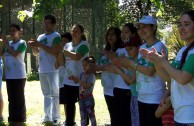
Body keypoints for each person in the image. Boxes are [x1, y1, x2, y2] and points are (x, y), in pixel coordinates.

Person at [140, 10, 194, 126]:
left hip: (190, 117)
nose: (181, 28)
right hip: (179, 115)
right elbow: (168, 78)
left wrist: (163, 62)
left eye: (187, 24)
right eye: (180, 25)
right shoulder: (182, 51)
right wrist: (155, 61)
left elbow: (183, 79)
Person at [114, 15, 168, 126]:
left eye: (145, 26)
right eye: (139, 27)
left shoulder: (159, 46)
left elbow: (150, 71)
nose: (141, 30)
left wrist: (130, 64)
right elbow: (138, 68)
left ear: (153, 28)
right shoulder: (142, 47)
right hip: (141, 96)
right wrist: (125, 65)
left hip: (155, 97)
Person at [28, 15, 61, 125]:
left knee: (55, 94)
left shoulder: (56, 36)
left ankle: (56, 118)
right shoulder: (40, 36)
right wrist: (34, 47)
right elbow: (36, 53)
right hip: (42, 69)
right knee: (46, 94)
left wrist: (39, 44)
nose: (45, 25)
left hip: (53, 69)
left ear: (53, 24)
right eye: (45, 22)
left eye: (48, 23)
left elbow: (54, 51)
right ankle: (47, 116)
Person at [60, 24, 89, 126]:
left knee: (83, 104)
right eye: (73, 31)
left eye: (77, 31)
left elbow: (77, 57)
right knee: (69, 104)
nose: (74, 33)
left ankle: (84, 123)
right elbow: (64, 62)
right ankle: (69, 122)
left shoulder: (84, 45)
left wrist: (64, 51)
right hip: (68, 80)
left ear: (81, 33)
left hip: (81, 80)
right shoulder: (67, 45)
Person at [95, 27, 123, 126]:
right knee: (113, 115)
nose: (110, 36)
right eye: (108, 34)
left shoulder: (121, 50)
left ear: (118, 36)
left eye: (113, 34)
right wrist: (93, 67)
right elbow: (100, 66)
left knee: (120, 117)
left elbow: (119, 65)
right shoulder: (106, 50)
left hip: (118, 89)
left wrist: (111, 57)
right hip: (107, 89)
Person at [1, 24, 27, 125]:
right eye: (10, 31)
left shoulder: (22, 43)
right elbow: (1, 53)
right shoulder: (8, 43)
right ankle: (12, 119)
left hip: (19, 75)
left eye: (14, 31)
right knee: (11, 98)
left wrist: (7, 44)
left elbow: (16, 54)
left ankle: (20, 119)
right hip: (9, 75)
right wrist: (3, 44)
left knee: (18, 97)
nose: (11, 33)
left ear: (19, 32)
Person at [121, 23, 140, 126]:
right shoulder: (130, 60)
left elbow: (132, 80)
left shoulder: (136, 61)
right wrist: (122, 68)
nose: (128, 51)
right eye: (127, 49)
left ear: (138, 47)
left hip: (139, 97)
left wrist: (118, 70)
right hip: (133, 96)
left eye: (131, 48)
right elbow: (128, 82)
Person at [69, 56, 97, 126]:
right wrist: (74, 78)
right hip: (81, 99)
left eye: (86, 65)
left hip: (89, 99)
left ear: (91, 66)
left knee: (91, 115)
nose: (84, 67)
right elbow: (76, 82)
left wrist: (78, 80)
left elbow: (87, 86)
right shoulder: (81, 74)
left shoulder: (92, 76)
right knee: (83, 115)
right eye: (83, 65)